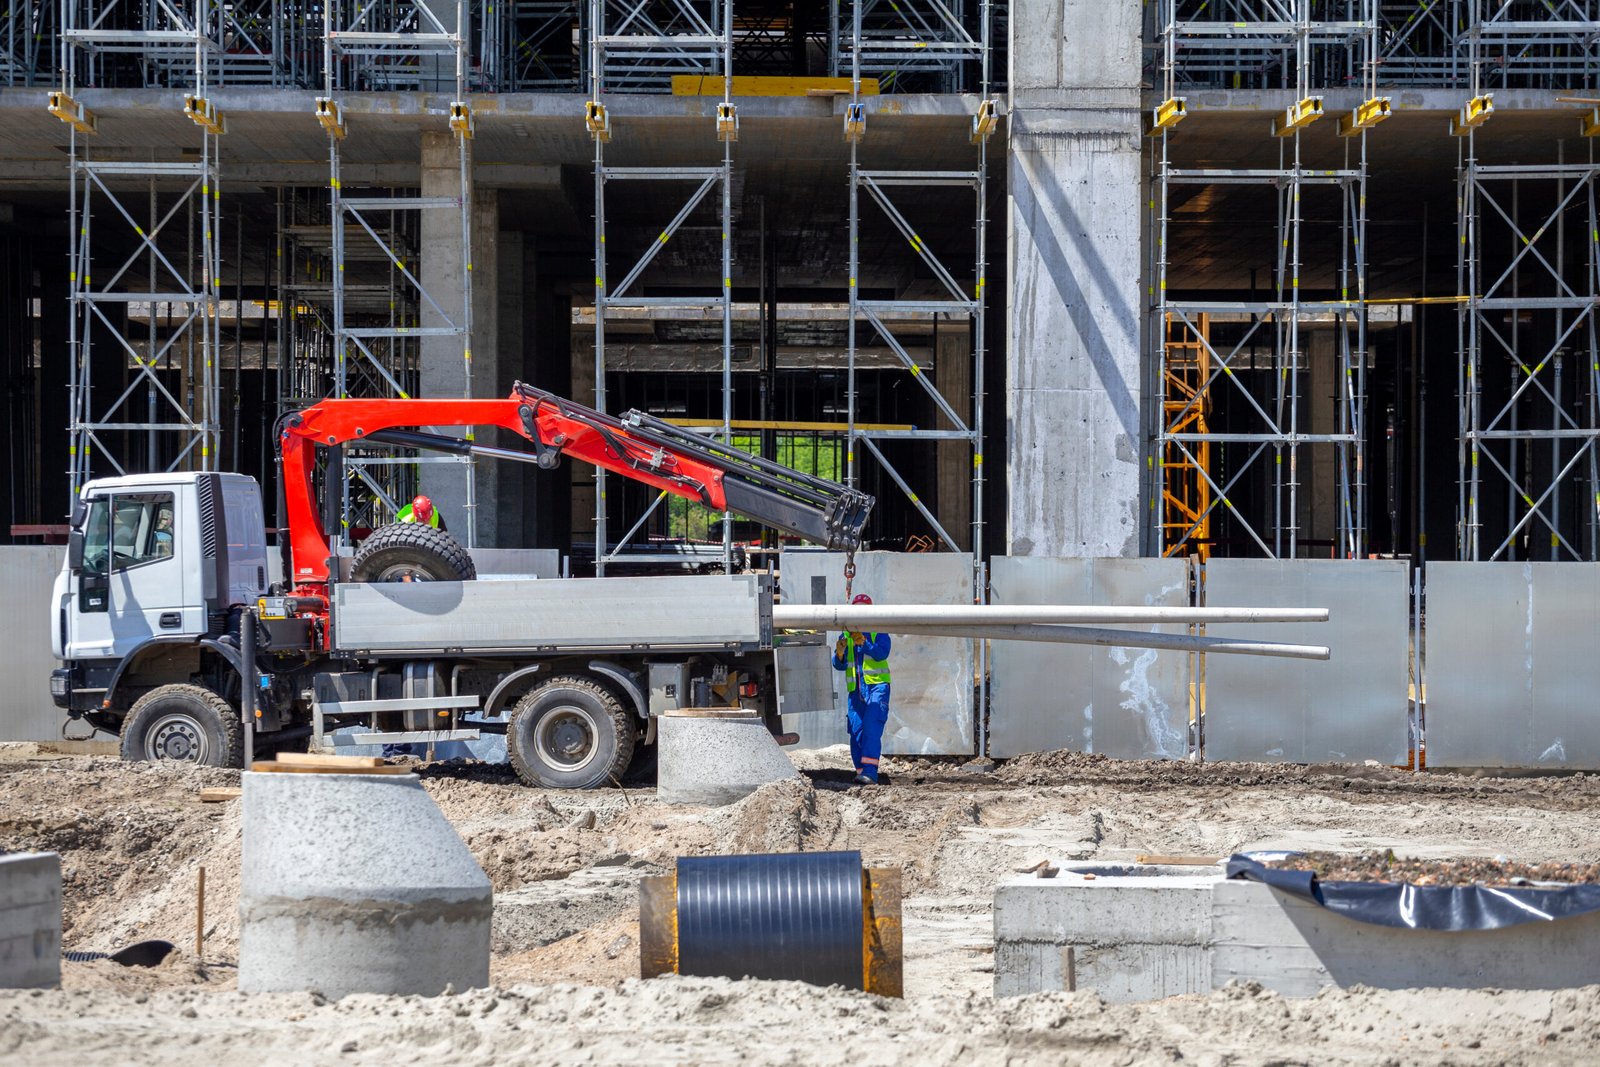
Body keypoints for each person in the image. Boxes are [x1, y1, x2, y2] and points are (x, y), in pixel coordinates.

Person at [831, 592, 891, 786]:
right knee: (856, 731)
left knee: (871, 729)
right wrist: (839, 654)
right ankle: (861, 773)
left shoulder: (878, 630)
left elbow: (882, 653)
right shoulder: (846, 634)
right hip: (856, 690)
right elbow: (839, 665)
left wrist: (864, 644)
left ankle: (870, 772)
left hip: (876, 687)